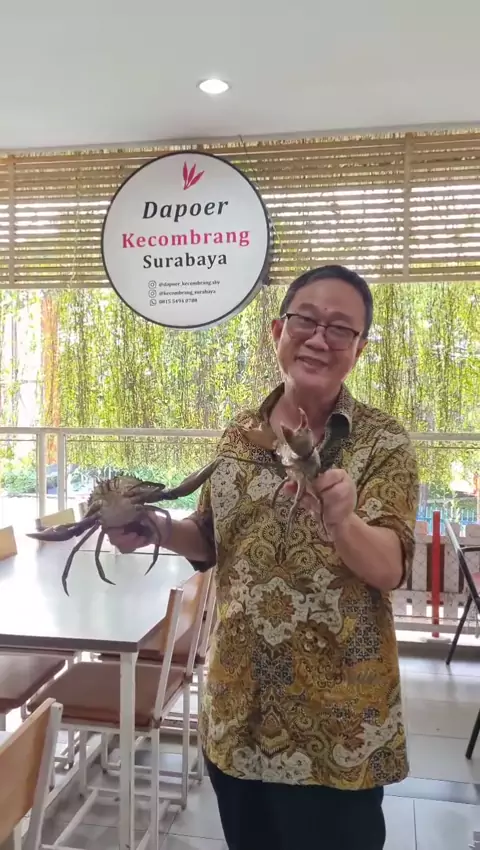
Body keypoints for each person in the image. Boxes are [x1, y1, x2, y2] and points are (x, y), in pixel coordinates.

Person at [109, 264, 419, 850]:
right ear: (278, 330)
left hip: (337, 727)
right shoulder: (239, 433)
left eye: (340, 329)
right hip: (238, 711)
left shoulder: (383, 441)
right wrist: (154, 528)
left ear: (359, 348)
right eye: (306, 320)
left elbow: (390, 567)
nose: (319, 338)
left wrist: (343, 521)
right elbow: (210, 537)